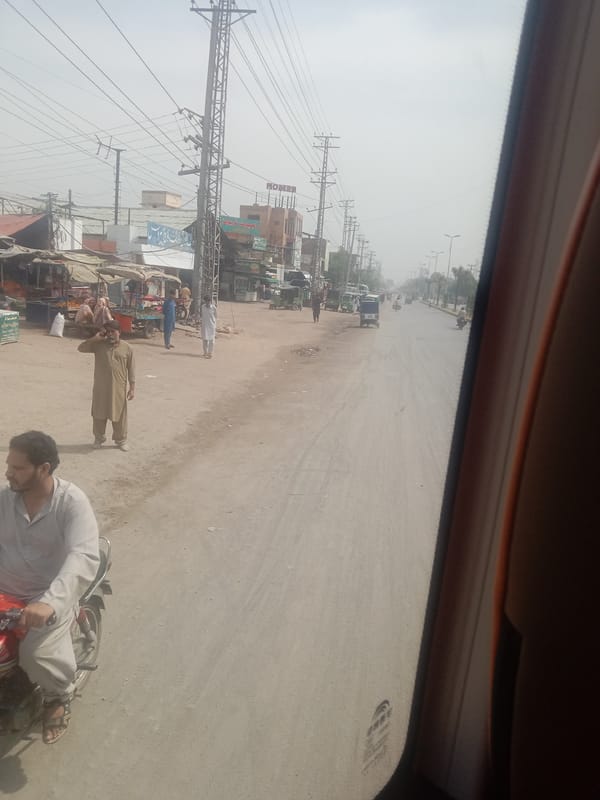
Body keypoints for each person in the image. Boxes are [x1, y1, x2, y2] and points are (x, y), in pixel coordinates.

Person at [0, 431, 100, 743]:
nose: (8, 473)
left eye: (18, 468)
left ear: (43, 469)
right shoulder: (5, 499)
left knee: (35, 652)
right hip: (5, 592)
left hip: (47, 597)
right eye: (8, 465)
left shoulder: (71, 503)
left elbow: (82, 554)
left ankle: (58, 696)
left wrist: (50, 602)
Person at [78, 320, 136, 451]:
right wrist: (96, 338)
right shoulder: (98, 345)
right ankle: (99, 438)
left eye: (113, 332)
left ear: (119, 332)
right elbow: (81, 348)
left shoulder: (127, 348)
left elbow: (131, 369)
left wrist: (132, 389)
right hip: (100, 388)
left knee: (119, 415)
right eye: (107, 332)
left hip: (118, 389)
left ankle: (121, 440)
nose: (110, 334)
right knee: (99, 414)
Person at [200, 294, 217, 358]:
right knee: (205, 340)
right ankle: (205, 352)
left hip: (211, 326)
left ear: (210, 301)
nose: (207, 303)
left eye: (208, 301)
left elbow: (216, 316)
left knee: (212, 340)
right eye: (206, 301)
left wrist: (214, 324)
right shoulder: (203, 307)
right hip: (204, 325)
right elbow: (202, 315)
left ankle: (210, 353)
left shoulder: (214, 308)